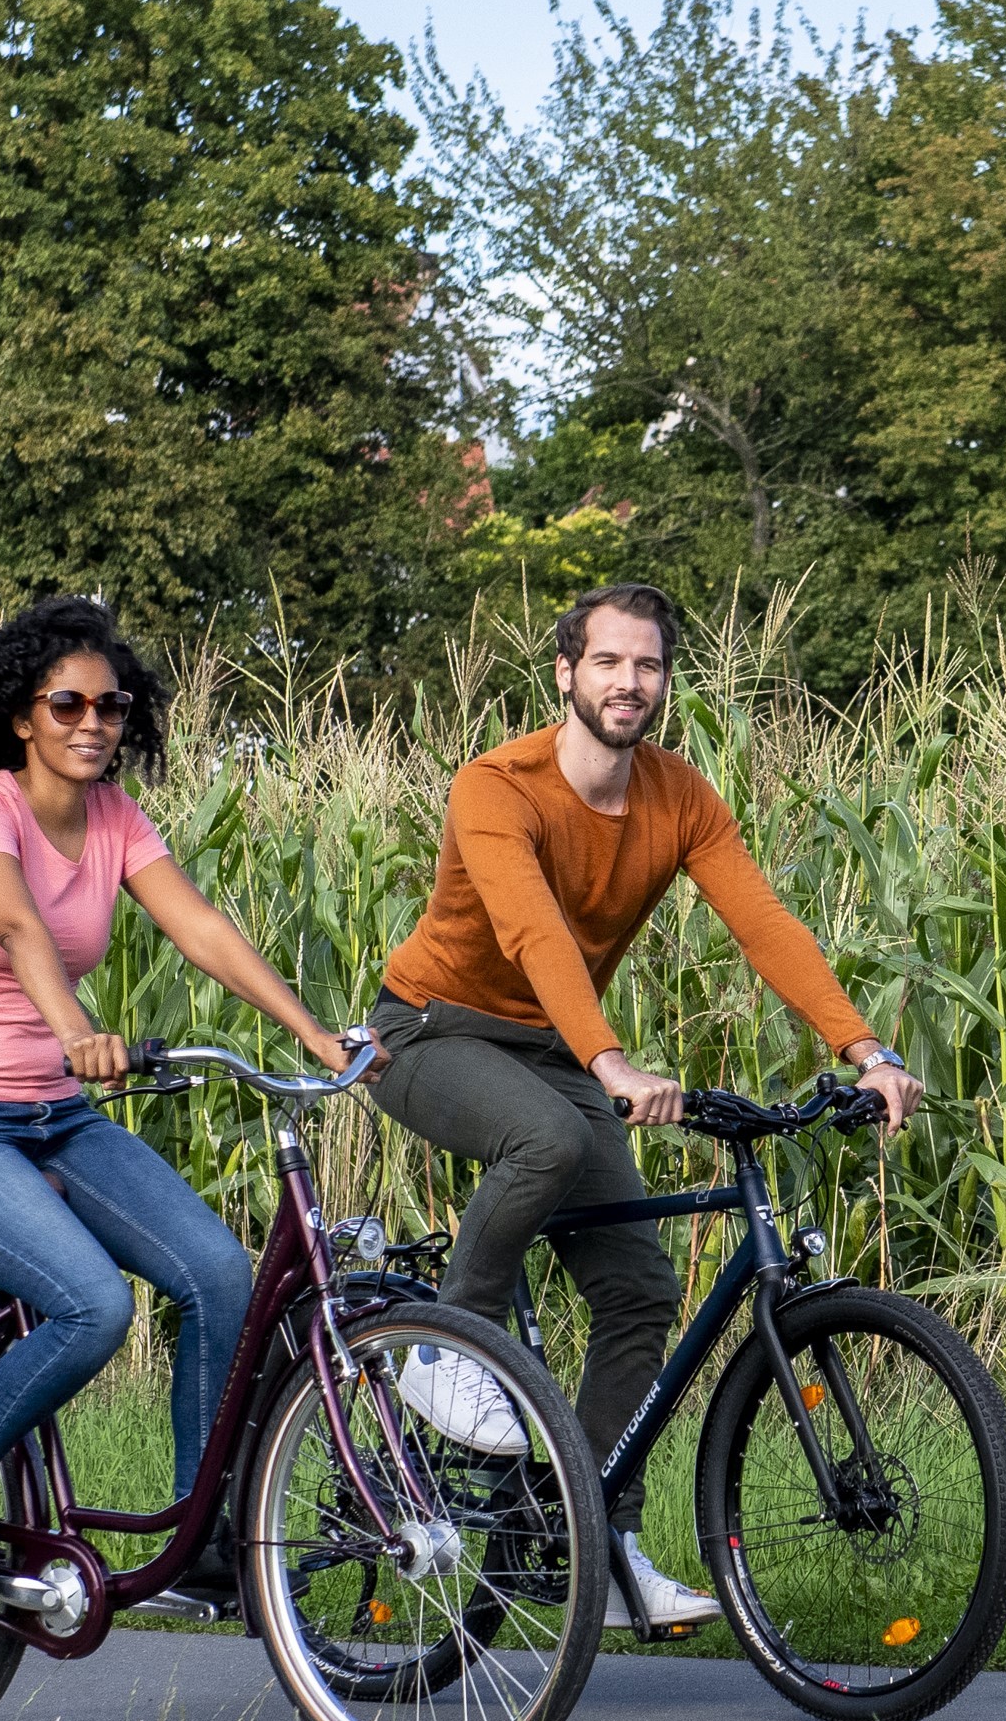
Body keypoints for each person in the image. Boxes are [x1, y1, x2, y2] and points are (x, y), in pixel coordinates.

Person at [369, 581, 923, 1630]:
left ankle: (593, 1540)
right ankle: (442, 1346)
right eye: (609, 662)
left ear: (666, 680)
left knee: (638, 1290)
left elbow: (764, 923)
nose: (630, 682)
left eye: (649, 666)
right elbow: (533, 932)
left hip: (555, 1048)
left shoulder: (678, 796)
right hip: (430, 1030)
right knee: (536, 1136)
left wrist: (861, 1045)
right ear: (565, 674)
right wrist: (612, 1062)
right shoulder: (498, 785)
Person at [0, 598, 358, 1630]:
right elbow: (13, 921)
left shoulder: (115, 818)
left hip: (54, 1117)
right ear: (22, 716)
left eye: (111, 705)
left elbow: (200, 928)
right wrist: (74, 1026)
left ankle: (199, 1533)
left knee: (217, 1274)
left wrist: (315, 1034)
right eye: (68, 704)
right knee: (91, 1307)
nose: (93, 722)